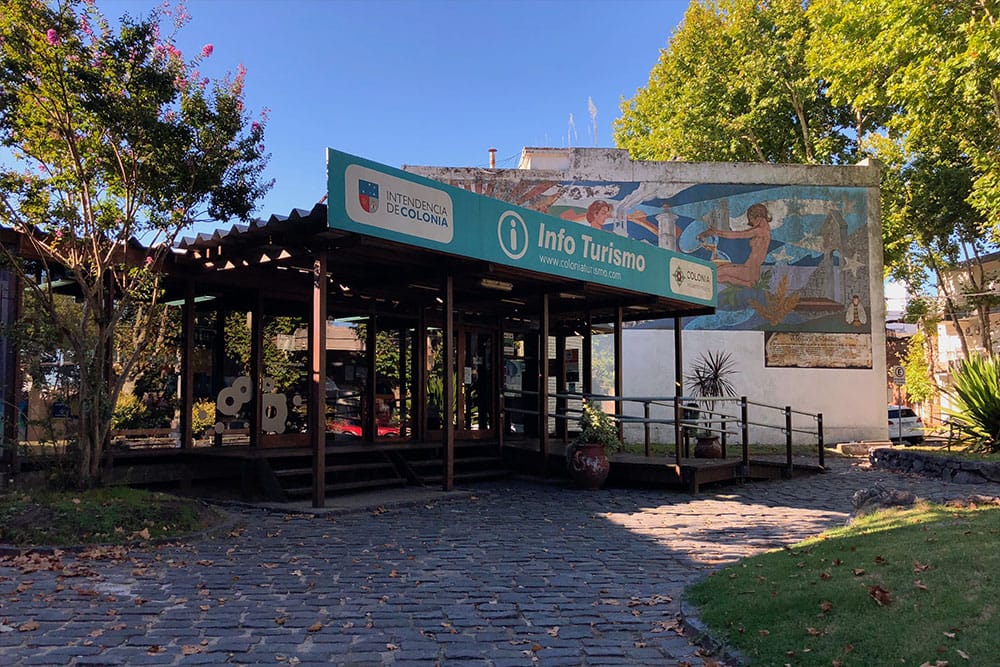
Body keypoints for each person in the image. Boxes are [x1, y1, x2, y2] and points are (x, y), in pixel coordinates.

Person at [698, 203, 772, 287]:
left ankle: (747, 283)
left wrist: (714, 232)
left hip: (748, 272)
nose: (750, 222)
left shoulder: (760, 231)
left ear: (754, 215)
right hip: (751, 271)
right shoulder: (765, 230)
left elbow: (738, 235)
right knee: (721, 270)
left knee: (714, 274)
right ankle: (747, 283)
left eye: (750, 219)